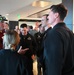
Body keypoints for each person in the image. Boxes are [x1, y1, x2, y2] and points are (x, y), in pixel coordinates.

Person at [43, 3, 74, 75]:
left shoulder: (53, 33)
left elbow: (54, 63)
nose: (48, 17)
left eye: (49, 13)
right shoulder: (70, 32)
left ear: (56, 15)